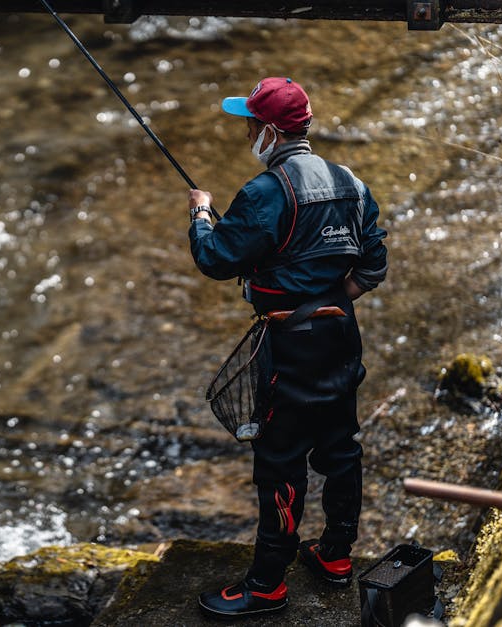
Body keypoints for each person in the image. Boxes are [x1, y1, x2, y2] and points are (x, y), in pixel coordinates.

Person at [188, 77, 388, 619]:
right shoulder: (351, 181)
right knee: (341, 448)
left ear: (271, 131)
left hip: (290, 347)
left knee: (279, 462)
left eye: (251, 124)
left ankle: (268, 584)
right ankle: (336, 557)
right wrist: (330, 301)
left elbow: (215, 260)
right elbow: (374, 264)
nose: (247, 132)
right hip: (341, 337)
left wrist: (201, 214)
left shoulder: (263, 194)